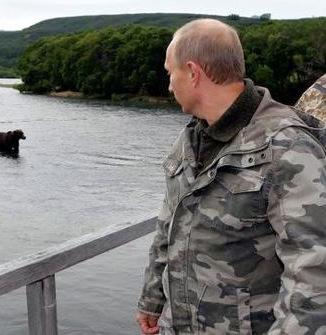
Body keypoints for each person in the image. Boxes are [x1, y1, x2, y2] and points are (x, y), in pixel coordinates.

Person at [136, 19, 326, 335]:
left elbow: (314, 272)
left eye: (172, 73)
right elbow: (168, 228)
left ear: (193, 72)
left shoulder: (287, 146)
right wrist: (152, 299)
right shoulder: (190, 141)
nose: (169, 85)